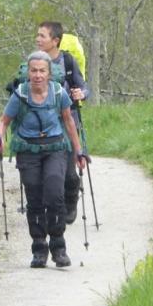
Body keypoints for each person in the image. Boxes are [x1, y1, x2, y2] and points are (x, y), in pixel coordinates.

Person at [0, 51, 87, 268]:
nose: (37, 75)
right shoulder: (20, 95)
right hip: (28, 150)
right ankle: (39, 248)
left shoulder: (58, 92)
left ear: (49, 73)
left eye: (42, 70)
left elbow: (69, 122)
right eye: (33, 70)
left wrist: (79, 150)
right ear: (28, 72)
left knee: (55, 195)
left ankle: (58, 246)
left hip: (55, 148)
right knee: (34, 198)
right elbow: (3, 121)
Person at [36, 21, 89, 224]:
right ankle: (47, 205)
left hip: (67, 122)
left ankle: (71, 200)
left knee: (68, 171)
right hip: (40, 123)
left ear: (55, 40)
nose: (38, 39)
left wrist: (80, 93)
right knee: (43, 169)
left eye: (42, 36)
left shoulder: (67, 61)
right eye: (38, 35)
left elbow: (84, 87)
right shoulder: (33, 62)